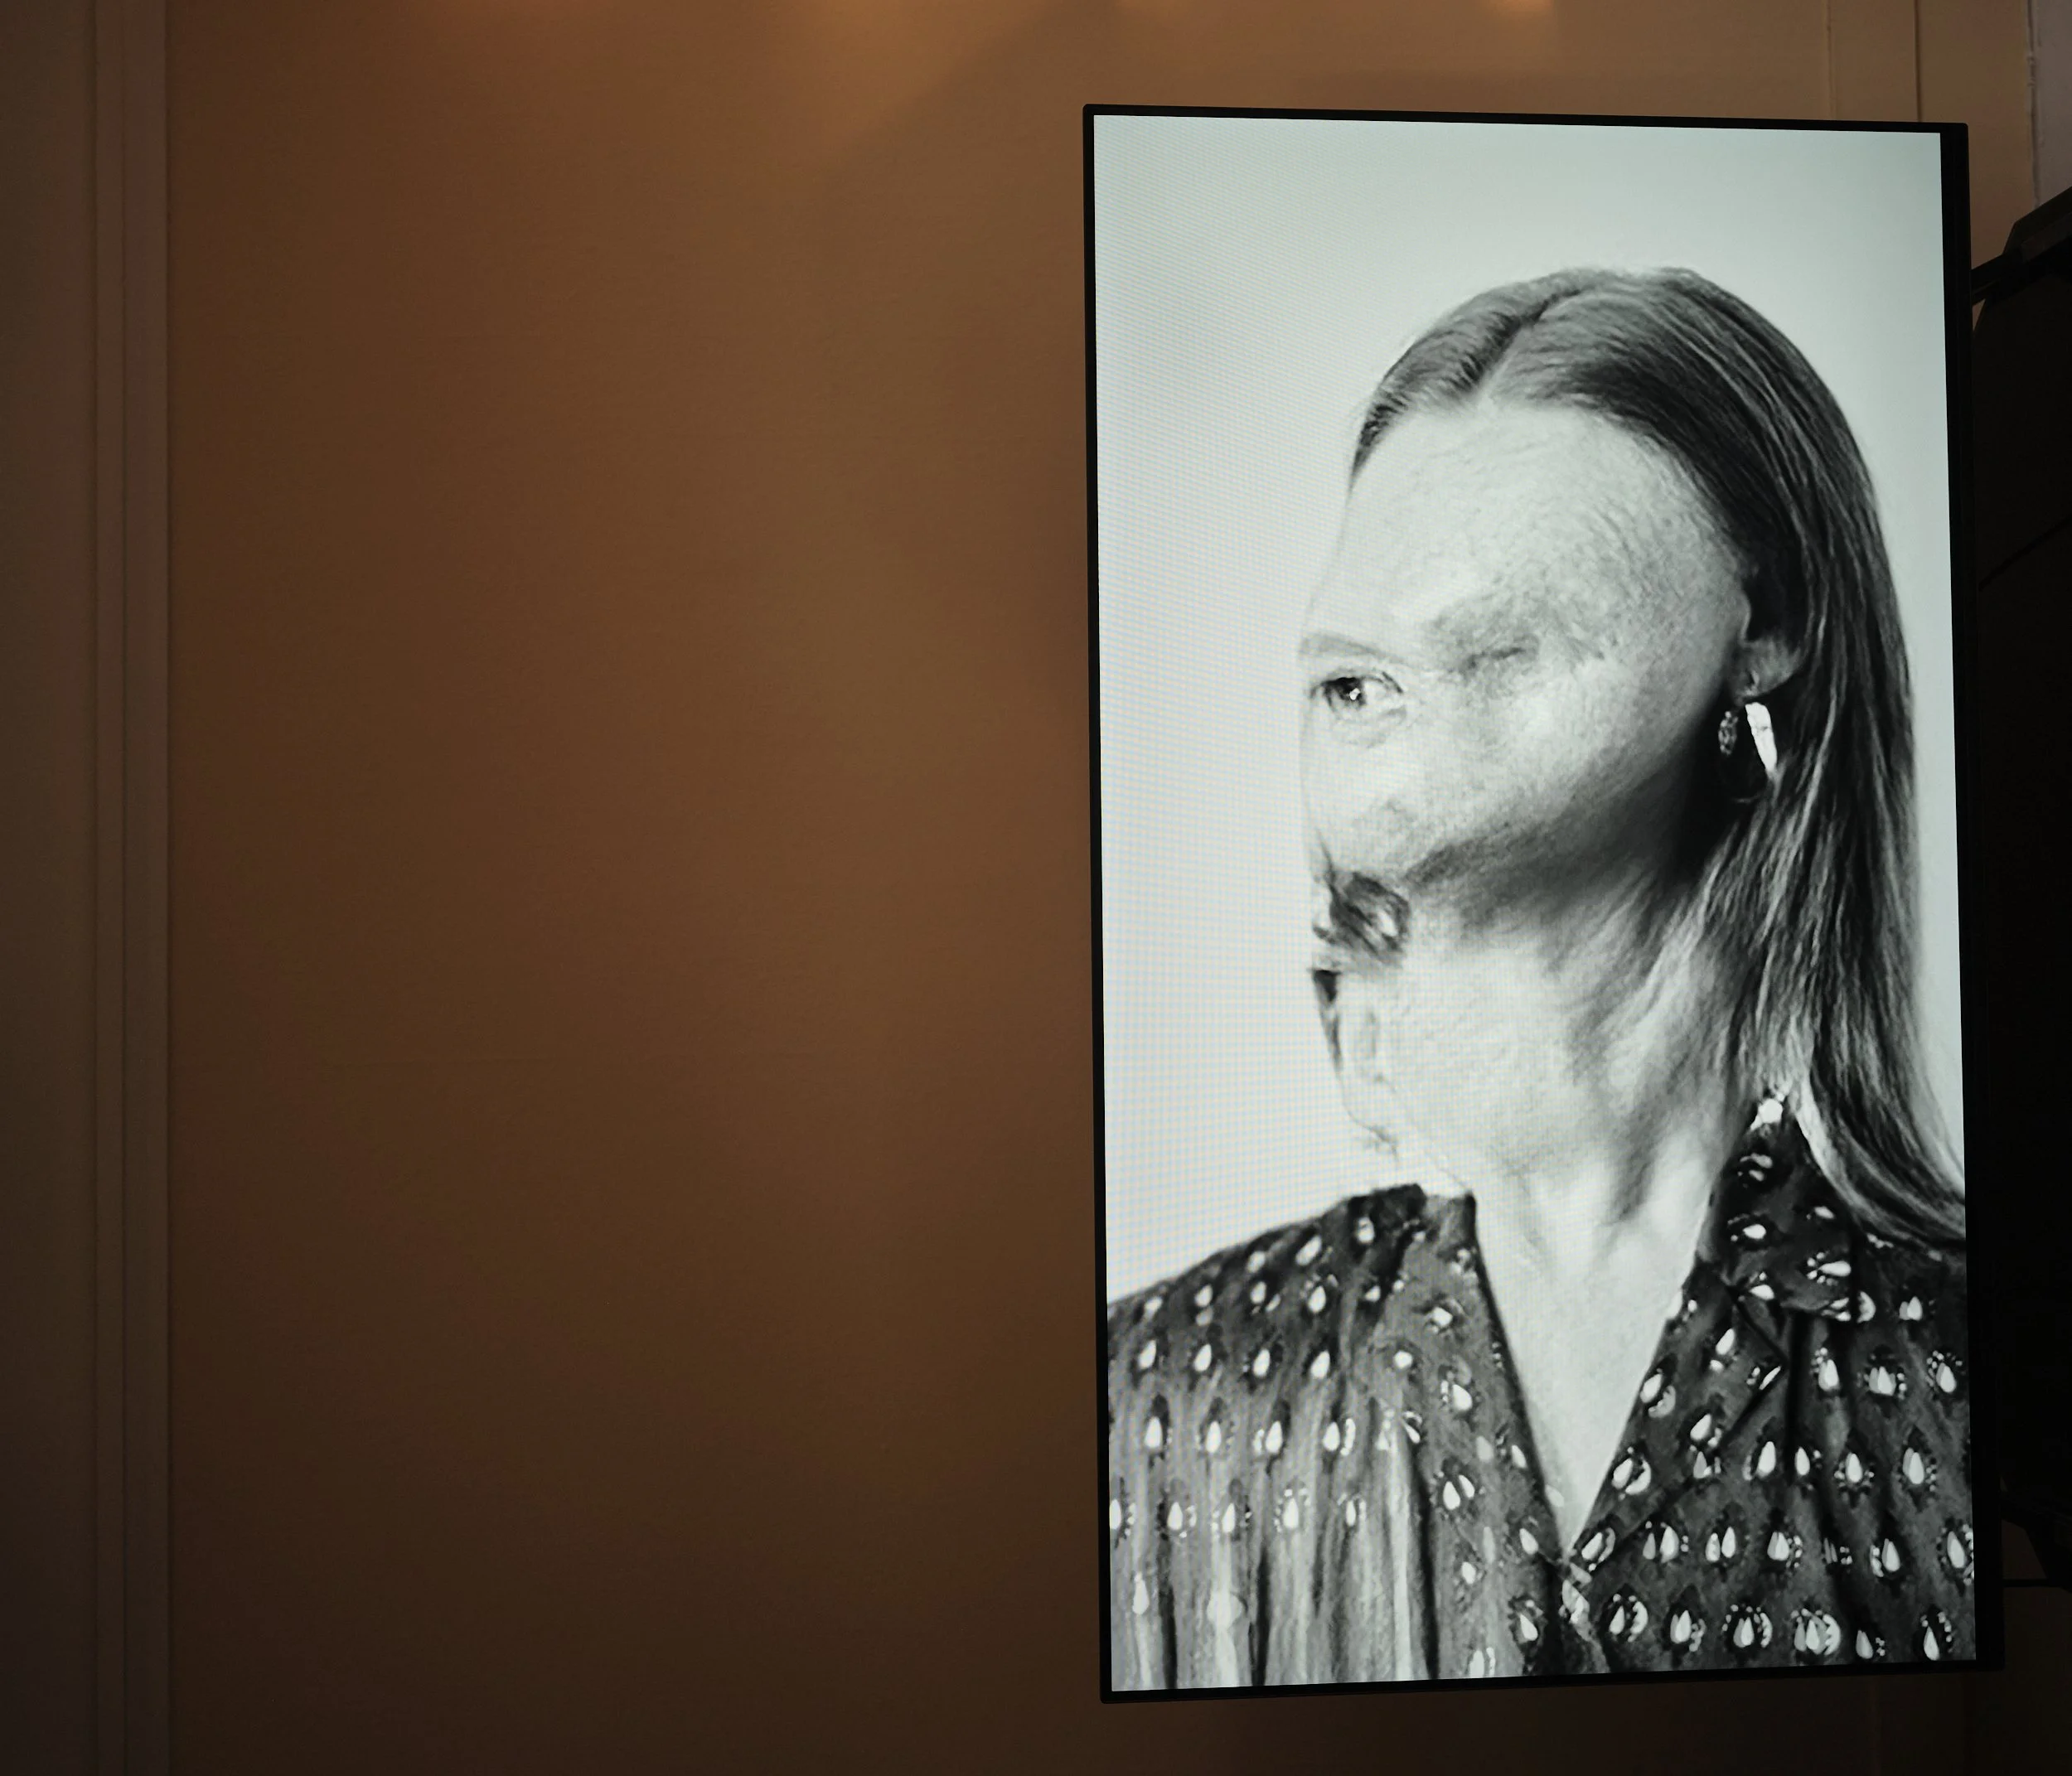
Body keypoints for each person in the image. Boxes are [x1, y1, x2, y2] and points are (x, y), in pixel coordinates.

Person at [1105, 269, 1972, 1687]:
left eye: (1504, 644)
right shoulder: (1162, 1393)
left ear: (1768, 619)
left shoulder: (1964, 1383)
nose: (1393, 720)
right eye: (1354, 678)